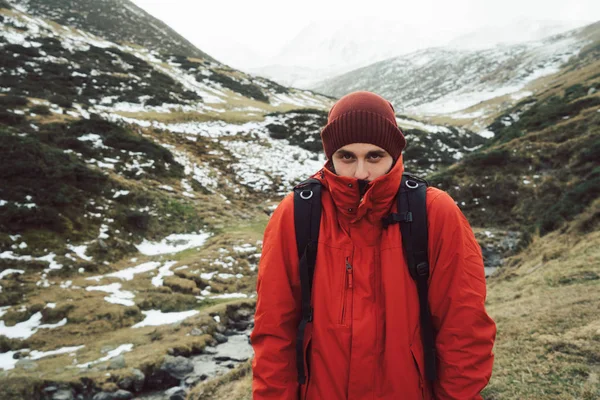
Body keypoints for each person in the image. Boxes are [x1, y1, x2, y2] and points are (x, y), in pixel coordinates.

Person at [250, 91, 496, 399]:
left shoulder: (435, 212)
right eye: (347, 157)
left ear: (393, 153)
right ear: (331, 157)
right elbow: (274, 331)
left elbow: (463, 327)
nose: (361, 173)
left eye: (374, 156)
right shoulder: (297, 213)